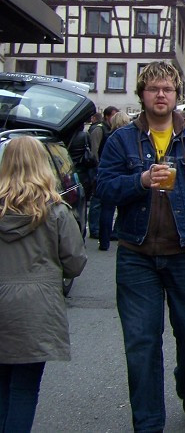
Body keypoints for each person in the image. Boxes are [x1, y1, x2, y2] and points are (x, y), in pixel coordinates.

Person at [95, 61, 185, 431]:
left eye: (167, 89)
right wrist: (138, 181)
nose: (161, 95)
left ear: (175, 94)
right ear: (142, 94)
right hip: (137, 255)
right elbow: (103, 189)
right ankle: (149, 423)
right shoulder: (122, 140)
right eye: (153, 89)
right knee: (141, 344)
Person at [0, 136, 87, 432]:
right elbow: (75, 261)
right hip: (37, 309)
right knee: (24, 390)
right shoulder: (55, 211)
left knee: (1, 388)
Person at [97, 111, 131, 251]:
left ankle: (104, 241)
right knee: (123, 207)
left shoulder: (108, 136)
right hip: (125, 175)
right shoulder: (129, 138)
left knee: (107, 209)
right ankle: (117, 233)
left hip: (110, 173)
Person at [87, 104, 118, 238]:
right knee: (97, 201)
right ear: (107, 116)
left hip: (105, 169)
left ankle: (100, 229)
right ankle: (94, 229)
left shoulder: (109, 130)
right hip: (98, 169)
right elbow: (94, 151)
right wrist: (98, 167)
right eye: (113, 115)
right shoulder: (99, 129)